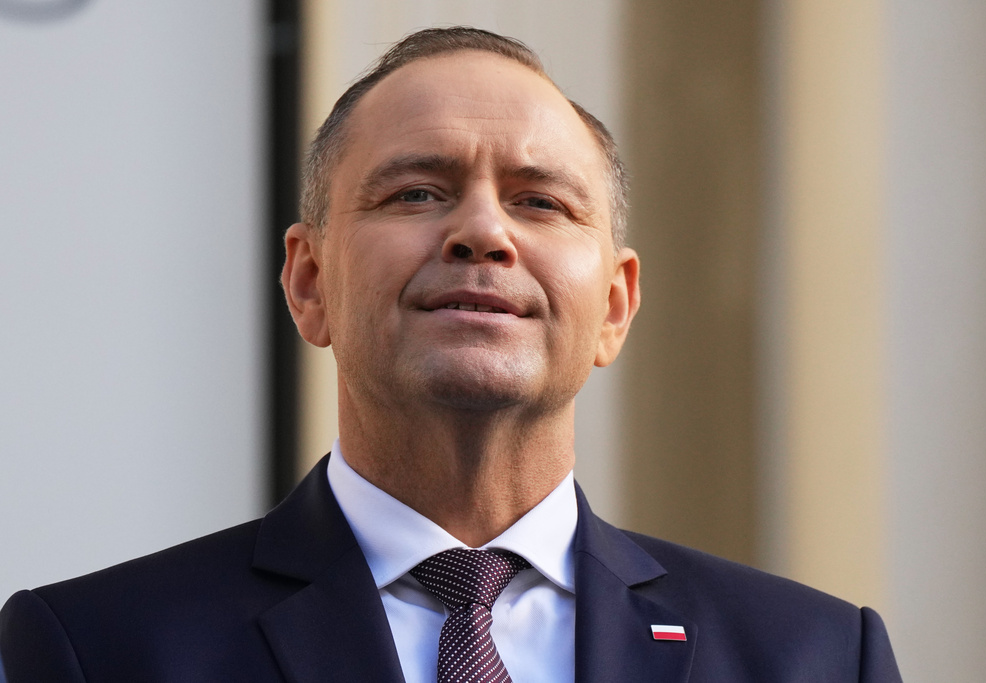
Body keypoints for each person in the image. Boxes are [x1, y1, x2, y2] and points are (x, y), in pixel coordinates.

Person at [0, 27, 901, 682]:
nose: (482, 232)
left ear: (614, 306)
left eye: (540, 202)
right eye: (417, 192)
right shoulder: (98, 649)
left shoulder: (814, 656)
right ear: (309, 283)